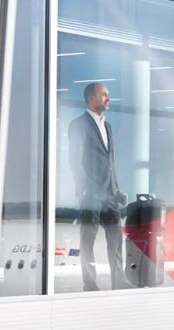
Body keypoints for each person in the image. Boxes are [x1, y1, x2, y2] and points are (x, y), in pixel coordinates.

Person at [68, 82, 129, 291]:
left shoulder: (107, 125)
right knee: (88, 239)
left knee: (115, 238)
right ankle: (90, 283)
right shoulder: (78, 124)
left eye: (108, 95)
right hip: (91, 193)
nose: (108, 98)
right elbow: (74, 159)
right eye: (104, 95)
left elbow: (110, 162)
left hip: (110, 194)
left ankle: (118, 280)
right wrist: (83, 187)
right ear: (91, 98)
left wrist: (117, 188)